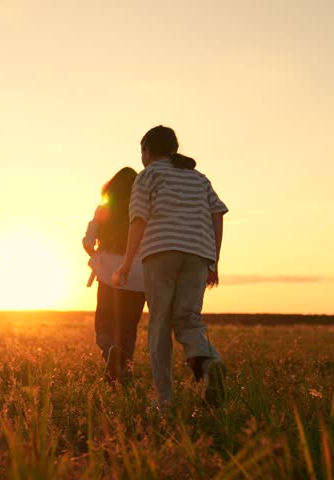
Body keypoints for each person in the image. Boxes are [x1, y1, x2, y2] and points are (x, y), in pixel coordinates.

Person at [115, 125, 228, 408]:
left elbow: (138, 220)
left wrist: (126, 264)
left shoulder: (147, 175)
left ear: (146, 150)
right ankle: (209, 364)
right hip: (198, 253)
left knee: (159, 324)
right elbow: (217, 214)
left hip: (161, 252)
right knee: (188, 318)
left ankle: (163, 399)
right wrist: (214, 260)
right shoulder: (199, 178)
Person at [82, 167, 146, 383]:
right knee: (128, 327)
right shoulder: (146, 210)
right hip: (138, 276)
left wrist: (99, 256)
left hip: (108, 274)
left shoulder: (104, 209)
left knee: (104, 324)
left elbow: (88, 242)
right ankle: (125, 369)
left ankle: (111, 350)